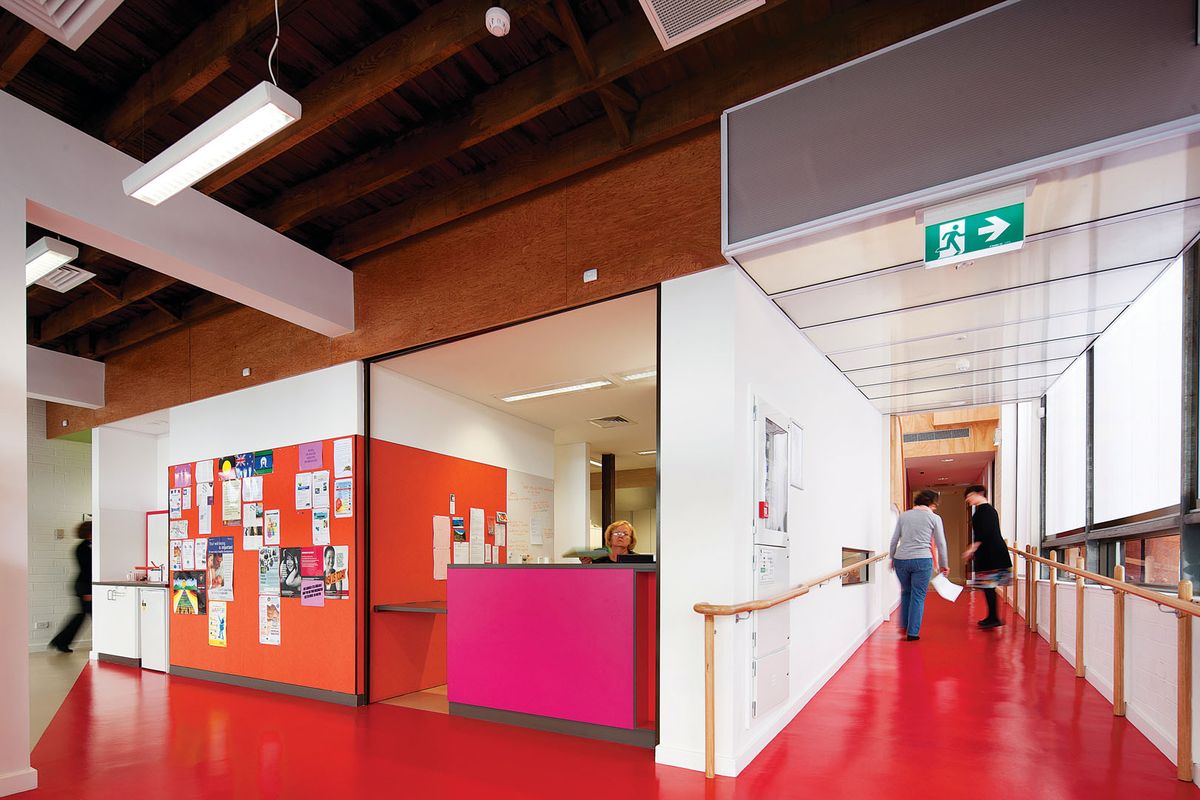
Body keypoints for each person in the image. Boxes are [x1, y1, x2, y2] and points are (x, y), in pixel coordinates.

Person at [889, 490, 949, 641]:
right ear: (931, 503)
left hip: (901, 559)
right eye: (935, 505)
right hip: (922, 560)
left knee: (906, 592)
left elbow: (894, 539)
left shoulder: (903, 516)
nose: (935, 508)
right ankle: (912, 632)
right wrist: (944, 565)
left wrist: (892, 557)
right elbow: (941, 544)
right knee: (918, 596)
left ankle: (904, 625)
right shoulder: (934, 518)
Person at [963, 484, 1012, 628]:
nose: (968, 500)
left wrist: (971, 549)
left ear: (979, 493)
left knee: (989, 586)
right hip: (990, 553)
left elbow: (985, 533)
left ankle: (993, 618)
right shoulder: (984, 511)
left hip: (992, 554)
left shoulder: (985, 511)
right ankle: (992, 616)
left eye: (969, 496)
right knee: (988, 587)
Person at [49, 521, 92, 654]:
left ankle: (60, 641)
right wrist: (88, 591)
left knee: (81, 615)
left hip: (85, 585)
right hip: (84, 586)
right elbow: (87, 570)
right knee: (87, 615)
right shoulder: (82, 548)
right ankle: (61, 641)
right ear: (90, 532)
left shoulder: (89, 546)